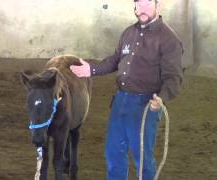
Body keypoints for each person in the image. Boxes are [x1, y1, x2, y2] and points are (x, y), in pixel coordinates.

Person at [70, 0, 183, 179]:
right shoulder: (128, 32)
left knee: (143, 158)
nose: (143, 9)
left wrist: (161, 98)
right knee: (113, 153)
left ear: (157, 6)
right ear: (134, 7)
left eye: (148, 4)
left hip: (146, 104)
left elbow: (173, 77)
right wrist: (91, 69)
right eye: (140, 4)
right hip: (120, 100)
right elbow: (115, 59)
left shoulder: (169, 39)